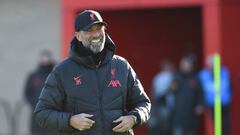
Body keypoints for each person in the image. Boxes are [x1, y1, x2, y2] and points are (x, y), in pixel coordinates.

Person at [33, 10, 151, 135]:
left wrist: (134, 118)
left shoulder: (122, 65)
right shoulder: (62, 71)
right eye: (89, 30)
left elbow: (143, 103)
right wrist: (70, 121)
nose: (96, 35)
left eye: (99, 28)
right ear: (78, 36)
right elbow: (42, 113)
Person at [199, 55, 232, 135]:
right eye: (211, 64)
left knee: (226, 124)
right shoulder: (203, 74)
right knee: (217, 125)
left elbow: (229, 85)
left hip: (225, 102)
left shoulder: (224, 72)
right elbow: (200, 90)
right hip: (212, 103)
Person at [24, 50, 55, 135]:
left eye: (47, 57)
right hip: (37, 114)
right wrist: (35, 104)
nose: (45, 59)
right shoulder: (33, 76)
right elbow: (27, 93)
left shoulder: (55, 75)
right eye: (43, 57)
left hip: (52, 113)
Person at [171, 54, 203, 135]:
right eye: (182, 63)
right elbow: (172, 91)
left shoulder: (195, 77)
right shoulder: (177, 76)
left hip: (191, 112)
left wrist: (200, 105)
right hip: (178, 112)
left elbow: (200, 93)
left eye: (186, 63)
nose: (184, 65)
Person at [149, 59, 175, 135]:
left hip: (171, 106)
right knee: (162, 127)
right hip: (161, 106)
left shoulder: (174, 76)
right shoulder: (159, 77)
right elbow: (155, 93)